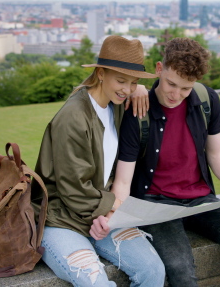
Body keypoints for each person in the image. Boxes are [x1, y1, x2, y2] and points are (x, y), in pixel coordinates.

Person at [110, 37, 220, 286]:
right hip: (156, 203)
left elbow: (215, 153)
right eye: (171, 84)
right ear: (159, 69)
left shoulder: (207, 100)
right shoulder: (138, 111)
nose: (176, 95)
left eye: (185, 88)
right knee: (180, 269)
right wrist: (113, 213)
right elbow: (123, 179)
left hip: (201, 200)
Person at [32, 35, 165, 286]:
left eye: (133, 82)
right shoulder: (73, 117)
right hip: (61, 219)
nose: (126, 89)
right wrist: (112, 211)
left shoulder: (115, 103)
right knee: (96, 282)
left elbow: (128, 89)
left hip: (99, 213)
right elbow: (74, 190)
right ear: (101, 74)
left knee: (152, 270)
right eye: (121, 80)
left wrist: (137, 88)